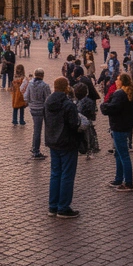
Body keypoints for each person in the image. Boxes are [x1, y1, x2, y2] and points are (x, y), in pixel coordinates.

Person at [43, 76, 81, 218]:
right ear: (66, 87)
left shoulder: (48, 102)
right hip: (67, 142)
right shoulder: (68, 104)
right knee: (67, 175)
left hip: (53, 141)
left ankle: (53, 206)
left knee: (55, 173)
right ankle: (63, 207)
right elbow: (73, 124)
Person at [100, 72, 133, 192]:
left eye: (117, 79)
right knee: (118, 153)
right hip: (126, 125)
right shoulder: (131, 93)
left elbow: (111, 108)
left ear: (122, 81)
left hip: (119, 126)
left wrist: (103, 106)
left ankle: (128, 182)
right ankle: (118, 178)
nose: (116, 81)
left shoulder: (120, 94)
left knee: (123, 154)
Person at [23, 69, 50, 159]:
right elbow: (48, 99)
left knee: (36, 129)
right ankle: (36, 150)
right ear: (42, 75)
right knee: (38, 130)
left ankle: (35, 148)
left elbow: (26, 97)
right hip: (41, 108)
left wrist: (31, 102)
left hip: (33, 108)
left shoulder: (30, 84)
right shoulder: (45, 86)